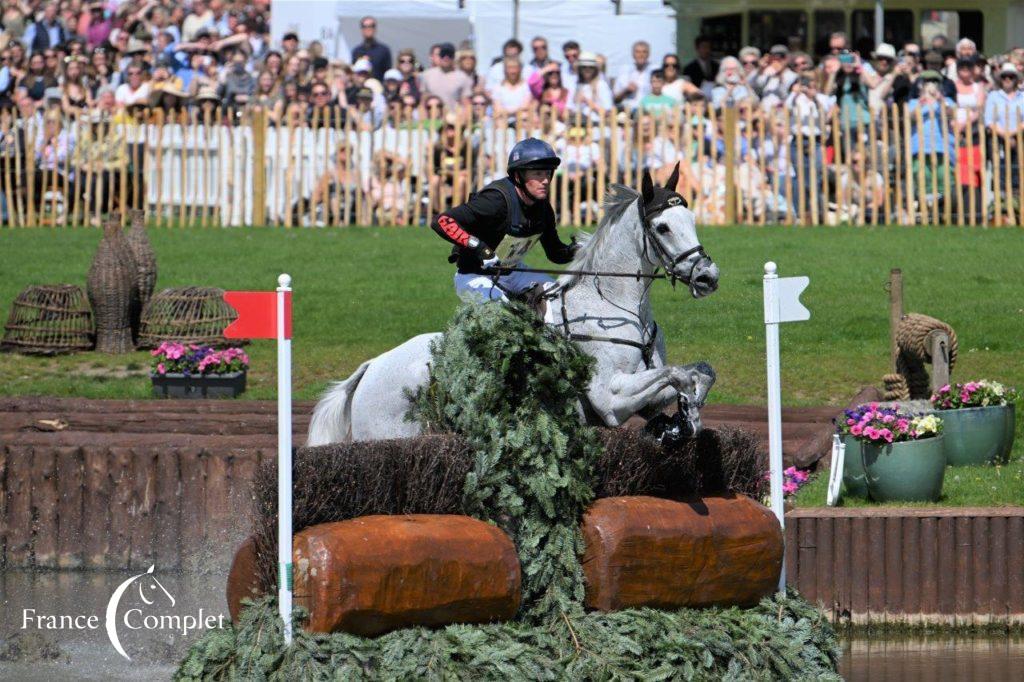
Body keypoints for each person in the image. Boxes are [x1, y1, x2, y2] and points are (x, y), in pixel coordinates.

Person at [430, 137, 578, 302]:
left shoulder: (543, 209)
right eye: (537, 173)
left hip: (513, 272)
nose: (545, 180)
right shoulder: (495, 201)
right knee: (504, 316)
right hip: (473, 277)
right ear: (518, 175)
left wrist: (579, 250)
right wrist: (480, 247)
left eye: (548, 173)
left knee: (559, 299)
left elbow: (555, 254)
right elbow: (441, 221)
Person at [420, 42, 473, 109]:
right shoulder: (427, 75)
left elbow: (466, 104)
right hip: (433, 117)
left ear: (454, 57)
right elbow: (423, 102)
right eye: (443, 54)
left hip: (454, 117)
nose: (446, 57)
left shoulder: (463, 77)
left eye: (449, 54)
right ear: (439, 56)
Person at [613, 40, 653, 111]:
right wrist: (626, 91)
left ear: (648, 54)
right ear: (633, 54)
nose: (641, 55)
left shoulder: (653, 71)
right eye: (638, 52)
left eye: (644, 52)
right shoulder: (624, 71)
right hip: (627, 112)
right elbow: (615, 99)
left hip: (648, 111)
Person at [350, 15, 391, 81]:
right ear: (361, 29)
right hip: (360, 89)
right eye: (365, 26)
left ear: (375, 29)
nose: (368, 28)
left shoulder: (384, 50)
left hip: (378, 88)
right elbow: (354, 74)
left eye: (371, 26)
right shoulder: (356, 51)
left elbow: (388, 74)